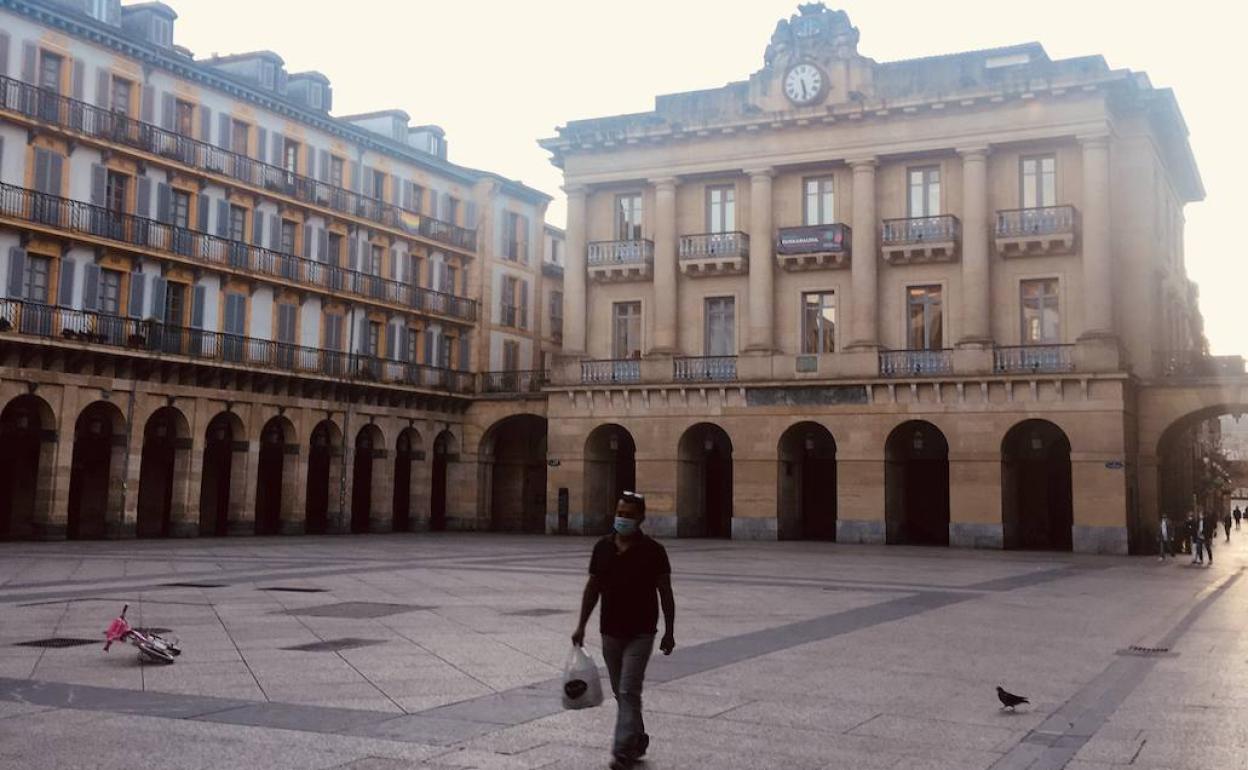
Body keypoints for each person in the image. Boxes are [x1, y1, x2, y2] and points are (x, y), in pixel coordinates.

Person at [572, 491, 676, 770]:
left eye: (629, 515)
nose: (623, 519)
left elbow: (665, 592)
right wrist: (581, 625)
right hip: (610, 632)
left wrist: (669, 631)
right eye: (620, 513)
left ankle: (621, 751)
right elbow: (592, 588)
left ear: (641, 518)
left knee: (629, 691)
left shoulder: (654, 551)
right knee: (622, 693)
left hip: (641, 633)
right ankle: (637, 737)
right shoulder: (603, 547)